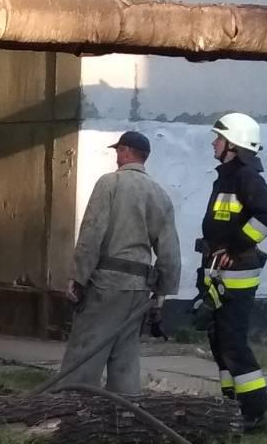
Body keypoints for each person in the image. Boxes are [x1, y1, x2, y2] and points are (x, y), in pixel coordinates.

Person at [59, 130, 181, 396]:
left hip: (106, 285)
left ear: (126, 152)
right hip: (138, 289)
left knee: (86, 350)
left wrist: (77, 277)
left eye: (118, 151)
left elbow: (92, 232)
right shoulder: (159, 195)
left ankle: (68, 410)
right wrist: (162, 292)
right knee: (124, 357)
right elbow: (169, 250)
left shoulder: (109, 184)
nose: (116, 157)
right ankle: (126, 414)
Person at [197, 112, 267, 435]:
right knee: (219, 341)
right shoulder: (227, 177)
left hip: (237, 277)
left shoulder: (246, 177)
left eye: (218, 138)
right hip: (218, 275)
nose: (213, 143)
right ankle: (231, 407)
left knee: (233, 343)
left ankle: (256, 415)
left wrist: (235, 247)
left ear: (233, 144)